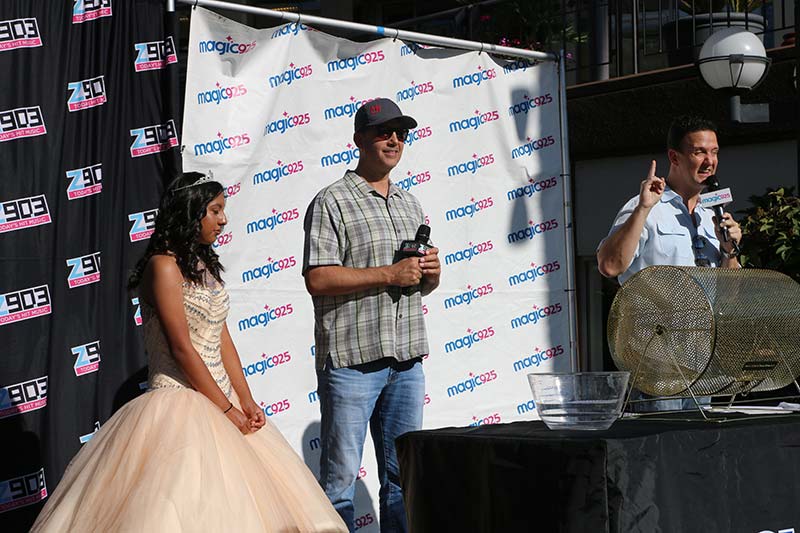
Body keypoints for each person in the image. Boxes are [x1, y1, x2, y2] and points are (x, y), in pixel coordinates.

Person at [32, 172, 347, 533]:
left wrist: (246, 400)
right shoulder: (162, 266)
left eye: (223, 210)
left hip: (222, 399)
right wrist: (227, 410)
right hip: (177, 403)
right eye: (215, 210)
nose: (223, 220)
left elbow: (222, 338)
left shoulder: (204, 265)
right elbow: (182, 349)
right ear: (190, 211)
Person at [302, 98, 440, 533]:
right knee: (339, 485)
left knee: (404, 481)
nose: (394, 139)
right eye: (384, 132)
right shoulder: (331, 201)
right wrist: (389, 273)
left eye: (401, 133)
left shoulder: (410, 204)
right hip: (352, 363)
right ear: (359, 139)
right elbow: (317, 278)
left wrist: (430, 275)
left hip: (407, 360)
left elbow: (416, 285)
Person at [596, 115, 742, 411]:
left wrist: (729, 251)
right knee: (661, 440)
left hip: (701, 360)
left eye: (714, 152)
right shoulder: (647, 206)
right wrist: (643, 208)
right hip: (654, 361)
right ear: (675, 157)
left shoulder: (712, 215)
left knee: (697, 440)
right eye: (699, 152)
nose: (709, 161)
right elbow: (609, 266)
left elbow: (728, 298)